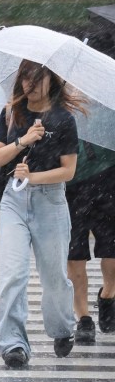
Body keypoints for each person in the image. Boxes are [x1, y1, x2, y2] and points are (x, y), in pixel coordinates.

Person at [0, 60, 82, 368]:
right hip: (13, 201)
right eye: (25, 77)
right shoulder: (10, 113)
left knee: (55, 276)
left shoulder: (63, 119)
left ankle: (61, 328)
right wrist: (24, 140)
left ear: (50, 81)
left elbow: (68, 171)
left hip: (51, 203)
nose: (29, 83)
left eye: (36, 77)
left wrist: (34, 178)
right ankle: (13, 344)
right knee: (13, 274)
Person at [65, 140, 115, 342]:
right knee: (75, 257)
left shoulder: (108, 111)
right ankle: (84, 318)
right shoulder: (57, 112)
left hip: (109, 179)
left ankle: (107, 296)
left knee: (112, 254)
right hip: (70, 187)